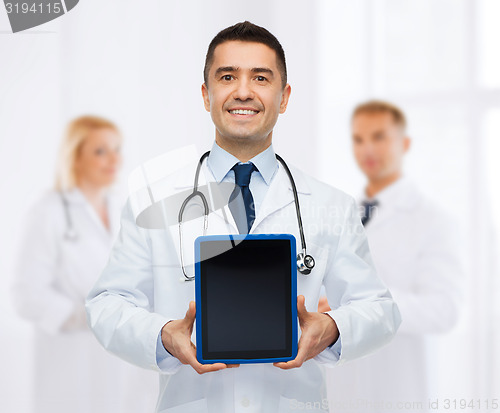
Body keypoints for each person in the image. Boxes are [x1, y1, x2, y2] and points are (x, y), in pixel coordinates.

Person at [86, 22, 401, 413]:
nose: (243, 91)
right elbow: (106, 304)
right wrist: (165, 335)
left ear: (284, 97)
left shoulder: (329, 205)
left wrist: (332, 329)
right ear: (206, 94)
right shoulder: (154, 201)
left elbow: (380, 309)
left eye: (261, 78)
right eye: (227, 76)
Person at [320, 100, 463, 412]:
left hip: (397, 391)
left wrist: (363, 305)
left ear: (405, 143)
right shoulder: (342, 214)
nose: (367, 149)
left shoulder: (433, 220)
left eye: (379, 137)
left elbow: (444, 310)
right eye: (358, 139)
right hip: (343, 390)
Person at [12, 116, 158, 413]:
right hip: (70, 359)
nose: (113, 159)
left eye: (117, 149)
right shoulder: (47, 210)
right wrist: (87, 316)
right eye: (100, 151)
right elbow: (25, 295)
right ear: (75, 157)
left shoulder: (123, 210)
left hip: (121, 361)